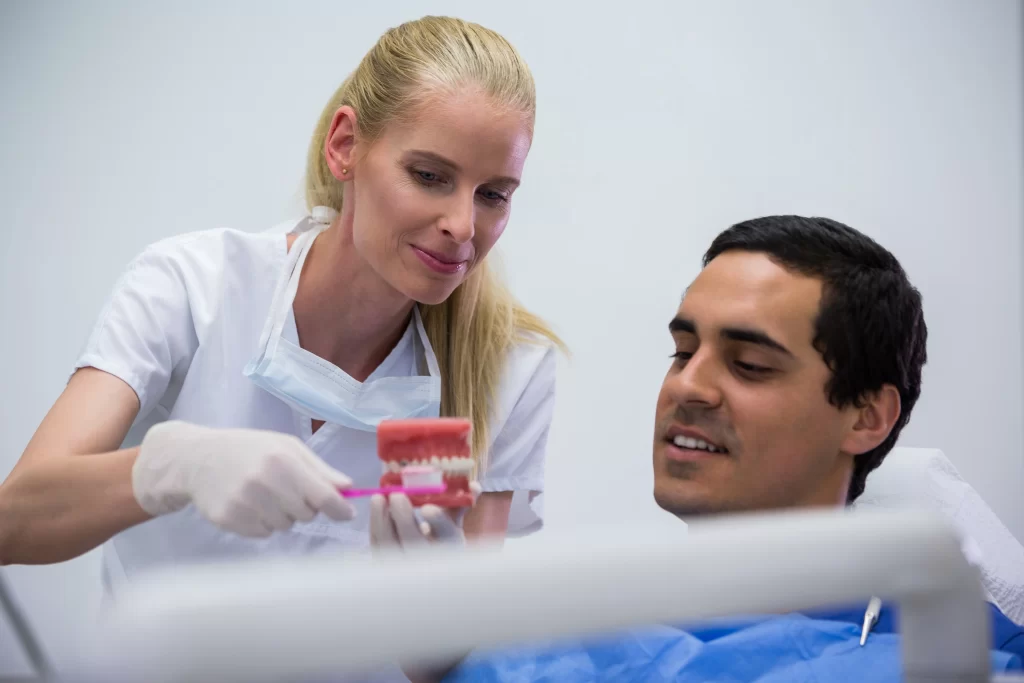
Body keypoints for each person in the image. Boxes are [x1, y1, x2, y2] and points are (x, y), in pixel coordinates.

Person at [0, 15, 563, 603]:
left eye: (493, 195)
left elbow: (446, 666)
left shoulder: (511, 370)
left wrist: (437, 618)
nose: (462, 226)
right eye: (428, 176)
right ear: (345, 146)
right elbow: (13, 522)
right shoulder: (193, 288)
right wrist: (173, 467)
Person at [446, 216, 1023, 682]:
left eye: (749, 366)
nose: (687, 386)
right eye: (682, 351)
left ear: (867, 417)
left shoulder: (966, 658)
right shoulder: (559, 645)